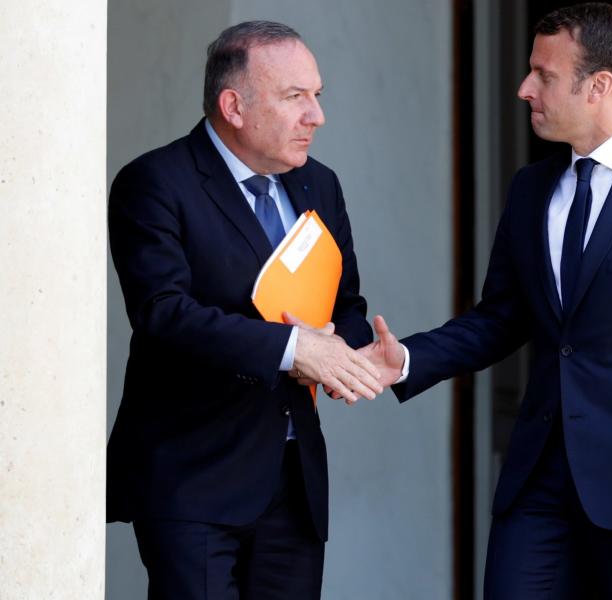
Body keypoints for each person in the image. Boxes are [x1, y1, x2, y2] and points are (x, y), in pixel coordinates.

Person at [358, 3, 612, 598]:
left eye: (543, 75)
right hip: (537, 480)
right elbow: (501, 318)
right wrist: (407, 360)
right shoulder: (530, 187)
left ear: (599, 86)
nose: (523, 89)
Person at [107, 21, 382, 598]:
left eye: (318, 96)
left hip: (293, 483)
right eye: (295, 98)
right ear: (233, 105)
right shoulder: (155, 182)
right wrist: (295, 350)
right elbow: (163, 313)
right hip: (193, 479)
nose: (316, 116)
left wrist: (349, 354)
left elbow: (344, 302)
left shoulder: (319, 185)